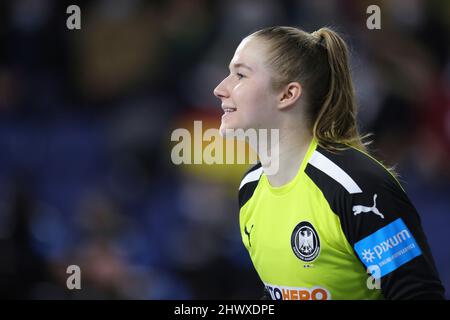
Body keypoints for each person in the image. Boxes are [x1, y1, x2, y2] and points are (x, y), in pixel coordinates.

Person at [213, 26, 445, 300]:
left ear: (288, 94)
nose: (219, 89)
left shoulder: (356, 187)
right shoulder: (251, 188)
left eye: (240, 75)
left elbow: (417, 293)